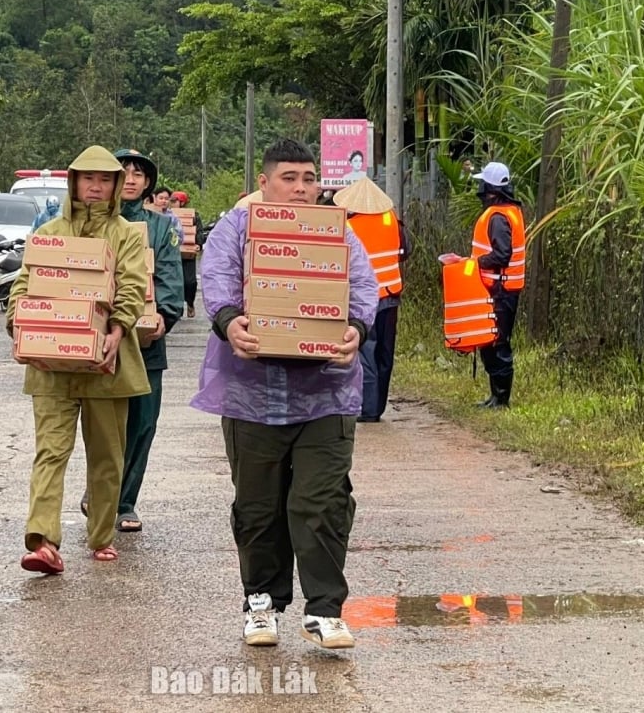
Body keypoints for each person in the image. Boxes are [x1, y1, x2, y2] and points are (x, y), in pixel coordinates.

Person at [191, 138, 378, 650]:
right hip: (253, 393)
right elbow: (217, 279)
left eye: (309, 179)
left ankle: (325, 609)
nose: (300, 188)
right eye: (289, 178)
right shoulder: (238, 227)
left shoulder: (337, 232)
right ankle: (261, 602)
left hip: (327, 392)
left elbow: (365, 287)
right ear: (265, 183)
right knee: (258, 507)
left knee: (322, 501)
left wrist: (356, 331)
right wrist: (230, 324)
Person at [5, 145, 150, 573]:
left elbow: (132, 286)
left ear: (116, 187)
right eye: (88, 179)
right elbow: (24, 283)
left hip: (109, 363)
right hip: (51, 368)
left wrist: (117, 329)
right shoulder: (48, 231)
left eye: (105, 180)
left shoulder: (125, 234)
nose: (96, 187)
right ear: (73, 183)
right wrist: (20, 324)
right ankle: (43, 539)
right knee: (50, 451)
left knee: (107, 455)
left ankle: (101, 534)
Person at [83, 148, 185, 533]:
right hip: (96, 341)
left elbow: (170, 278)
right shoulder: (90, 224)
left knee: (142, 425)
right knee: (102, 425)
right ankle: (98, 491)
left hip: (146, 346)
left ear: (148, 183)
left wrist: (165, 315)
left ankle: (124, 503)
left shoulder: (161, 228)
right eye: (123, 171)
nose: (132, 177)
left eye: (139, 173)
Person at [333, 178, 404, 423]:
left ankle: (369, 408)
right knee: (385, 353)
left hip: (365, 299)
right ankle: (378, 405)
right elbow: (405, 250)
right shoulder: (391, 219)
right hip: (392, 294)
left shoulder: (349, 226)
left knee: (366, 352)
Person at [470, 161, 525, 408]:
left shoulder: (499, 216)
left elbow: (502, 255)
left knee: (498, 342)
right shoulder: (507, 212)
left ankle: (502, 398)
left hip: (501, 290)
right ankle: (495, 395)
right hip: (498, 288)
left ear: (489, 189)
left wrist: (476, 263)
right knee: (490, 340)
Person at [170, 190, 205, 318]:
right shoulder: (167, 215)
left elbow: (199, 232)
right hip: (172, 254)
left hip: (188, 254)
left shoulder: (193, 216)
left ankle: (190, 302)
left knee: (190, 282)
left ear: (182, 203)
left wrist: (198, 244)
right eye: (171, 201)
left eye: (174, 201)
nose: (171, 204)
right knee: (174, 282)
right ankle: (176, 309)